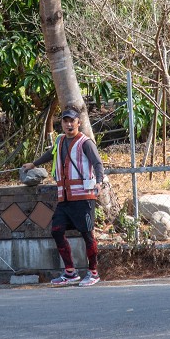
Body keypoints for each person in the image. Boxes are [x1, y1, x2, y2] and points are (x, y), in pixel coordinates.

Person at [22, 105, 107, 287]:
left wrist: (99, 181)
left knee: (87, 234)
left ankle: (93, 272)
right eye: (65, 120)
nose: (69, 124)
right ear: (61, 123)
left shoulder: (85, 142)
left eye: (72, 121)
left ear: (79, 122)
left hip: (83, 197)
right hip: (65, 198)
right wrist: (33, 164)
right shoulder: (60, 141)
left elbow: (97, 164)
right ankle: (70, 272)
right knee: (56, 230)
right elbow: (50, 154)